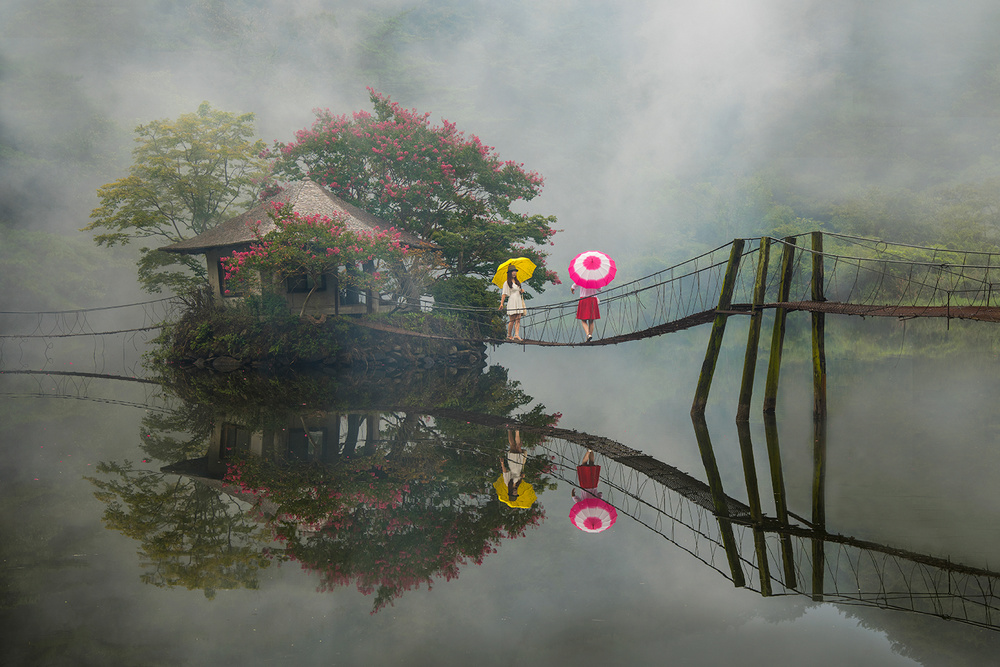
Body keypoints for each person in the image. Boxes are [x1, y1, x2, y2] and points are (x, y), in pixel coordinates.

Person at [498, 267, 527, 340]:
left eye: (515, 271)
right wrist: (501, 303)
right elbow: (504, 294)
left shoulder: (517, 282)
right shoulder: (507, 283)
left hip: (518, 300)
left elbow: (518, 291)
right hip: (512, 301)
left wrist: (521, 291)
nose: (514, 273)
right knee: (512, 319)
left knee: (518, 318)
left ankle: (516, 335)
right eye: (512, 271)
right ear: (509, 273)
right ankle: (509, 335)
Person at [500, 429, 526, 502]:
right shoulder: (518, 484)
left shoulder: (508, 483)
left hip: (513, 465)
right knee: (518, 447)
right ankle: (517, 431)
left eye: (513, 494)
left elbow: (505, 472)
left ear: (510, 492)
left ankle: (509, 430)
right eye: (516, 494)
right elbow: (521, 475)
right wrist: (522, 476)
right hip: (519, 465)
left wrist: (502, 464)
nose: (515, 492)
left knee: (513, 446)